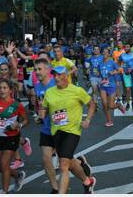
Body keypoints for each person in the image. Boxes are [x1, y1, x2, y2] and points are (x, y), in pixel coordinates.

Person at [40, 66, 96, 194]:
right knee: (69, 162)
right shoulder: (49, 92)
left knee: (63, 165)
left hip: (72, 131)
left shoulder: (77, 91)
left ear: (66, 76)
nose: (56, 77)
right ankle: (87, 181)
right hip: (56, 131)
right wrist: (42, 113)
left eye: (59, 75)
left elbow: (92, 104)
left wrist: (87, 119)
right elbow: (44, 108)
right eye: (54, 75)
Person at [0, 79, 29, 193]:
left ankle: (4, 192)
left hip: (11, 137)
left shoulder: (17, 105)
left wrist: (19, 125)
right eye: (0, 88)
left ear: (10, 90)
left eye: (5, 88)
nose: (2, 90)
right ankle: (18, 175)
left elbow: (25, 120)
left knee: (4, 164)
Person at [34, 58, 59, 193]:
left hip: (60, 127)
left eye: (40, 69)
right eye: (36, 69)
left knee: (68, 162)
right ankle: (55, 189)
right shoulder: (38, 86)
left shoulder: (56, 84)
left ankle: (82, 168)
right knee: (46, 159)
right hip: (46, 128)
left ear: (48, 70)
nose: (37, 72)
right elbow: (41, 105)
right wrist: (40, 116)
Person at [98, 48, 126, 127]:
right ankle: (109, 120)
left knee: (111, 106)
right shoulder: (100, 64)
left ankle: (118, 105)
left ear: (109, 54)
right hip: (103, 86)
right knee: (104, 104)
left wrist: (114, 72)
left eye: (106, 52)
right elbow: (100, 73)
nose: (105, 53)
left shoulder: (112, 62)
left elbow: (120, 69)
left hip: (111, 86)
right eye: (103, 52)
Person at [119, 43, 133, 110]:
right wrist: (121, 69)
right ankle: (128, 103)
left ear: (130, 48)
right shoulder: (122, 55)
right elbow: (119, 62)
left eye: (128, 47)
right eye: (126, 47)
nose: (127, 48)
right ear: (124, 48)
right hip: (126, 74)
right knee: (127, 89)